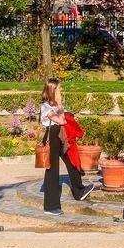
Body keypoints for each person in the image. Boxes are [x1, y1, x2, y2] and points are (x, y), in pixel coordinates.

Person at [40, 78, 92, 214]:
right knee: (52, 170)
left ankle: (79, 191)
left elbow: (63, 117)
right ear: (53, 90)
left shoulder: (55, 104)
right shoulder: (45, 106)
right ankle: (50, 206)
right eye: (59, 88)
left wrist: (60, 104)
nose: (61, 90)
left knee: (71, 161)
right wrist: (60, 105)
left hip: (62, 136)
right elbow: (61, 120)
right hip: (52, 137)